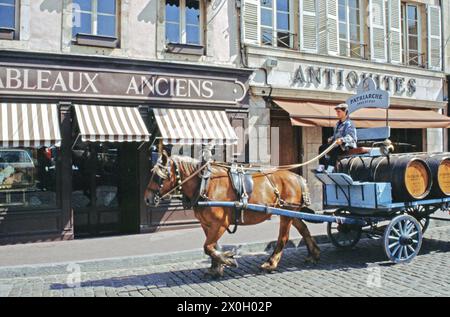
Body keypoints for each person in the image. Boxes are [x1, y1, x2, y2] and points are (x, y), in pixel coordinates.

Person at [316, 103, 357, 173]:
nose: (337, 113)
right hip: (338, 145)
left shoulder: (349, 124)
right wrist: (331, 139)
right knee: (322, 148)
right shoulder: (337, 124)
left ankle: (330, 168)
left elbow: (351, 137)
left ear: (345, 112)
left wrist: (342, 140)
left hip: (347, 146)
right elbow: (336, 136)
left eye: (339, 112)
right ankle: (321, 166)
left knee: (334, 149)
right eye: (337, 112)